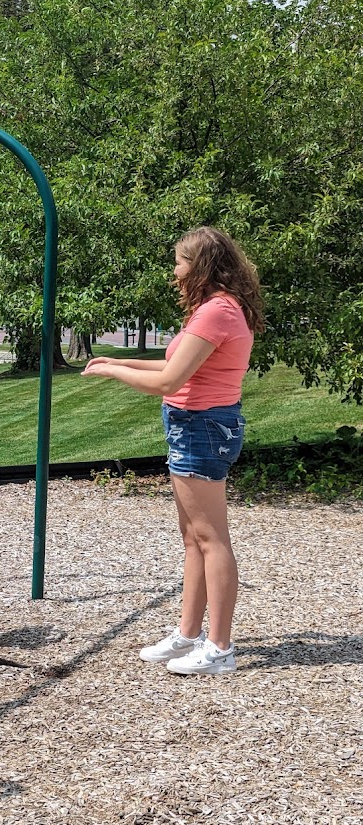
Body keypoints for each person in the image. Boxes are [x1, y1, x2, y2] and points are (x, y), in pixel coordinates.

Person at [82, 226, 264, 675]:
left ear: (200, 265)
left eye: (179, 262)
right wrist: (118, 360)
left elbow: (168, 382)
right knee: (193, 538)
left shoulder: (216, 313)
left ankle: (219, 648)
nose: (174, 272)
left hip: (202, 428)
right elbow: (172, 365)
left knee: (211, 538)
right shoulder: (216, 309)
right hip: (195, 425)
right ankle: (188, 635)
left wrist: (112, 375)